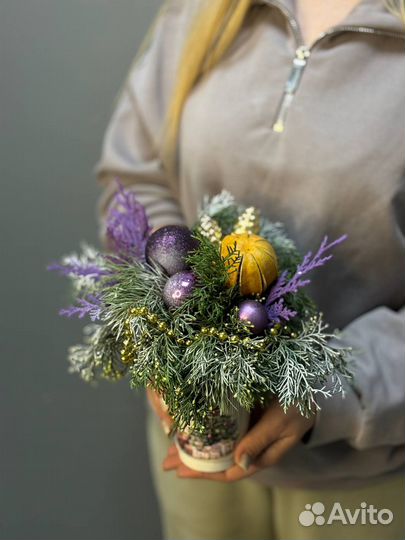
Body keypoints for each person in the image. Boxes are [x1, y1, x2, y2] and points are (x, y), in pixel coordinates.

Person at [95, 0, 405, 538]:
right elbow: (136, 174)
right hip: (196, 447)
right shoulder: (202, 12)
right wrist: (165, 316)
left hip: (367, 479)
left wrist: (330, 387)